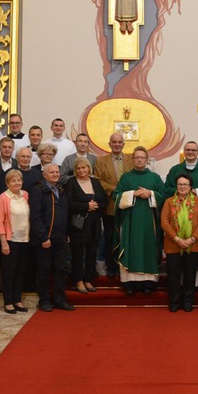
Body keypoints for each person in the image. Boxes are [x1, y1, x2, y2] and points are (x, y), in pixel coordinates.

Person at [113, 146, 171, 295]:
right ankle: (130, 283)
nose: (139, 160)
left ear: (147, 160)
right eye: (136, 157)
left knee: (148, 247)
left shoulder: (154, 178)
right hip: (130, 220)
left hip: (149, 221)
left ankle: (148, 282)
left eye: (142, 157)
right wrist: (134, 194)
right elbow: (116, 195)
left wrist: (150, 193)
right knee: (131, 247)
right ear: (133, 159)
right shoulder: (126, 177)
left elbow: (164, 195)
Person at [160, 174, 198, 312]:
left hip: (193, 245)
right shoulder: (169, 202)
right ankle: (174, 301)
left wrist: (192, 238)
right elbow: (164, 222)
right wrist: (177, 239)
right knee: (173, 274)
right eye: (180, 184)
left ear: (190, 187)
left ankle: (188, 301)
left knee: (189, 274)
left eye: (185, 184)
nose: (182, 187)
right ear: (176, 186)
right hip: (173, 244)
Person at [30, 164, 73, 311]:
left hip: (60, 238)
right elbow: (35, 216)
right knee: (44, 270)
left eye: (57, 172)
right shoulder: (38, 190)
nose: (55, 174)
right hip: (45, 239)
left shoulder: (61, 189)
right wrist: (43, 237)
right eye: (52, 172)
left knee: (62, 269)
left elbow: (65, 213)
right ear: (44, 174)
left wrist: (66, 233)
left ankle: (60, 299)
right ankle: (44, 300)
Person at [64, 157, 107, 294]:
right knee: (77, 254)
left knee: (92, 253)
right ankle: (78, 280)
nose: (82, 170)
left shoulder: (95, 182)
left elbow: (104, 201)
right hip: (78, 224)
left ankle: (88, 278)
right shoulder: (71, 182)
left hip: (94, 224)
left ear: (89, 168)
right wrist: (86, 206)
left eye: (84, 167)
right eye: (78, 168)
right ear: (75, 170)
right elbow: (68, 203)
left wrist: (96, 206)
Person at [94, 133, 133, 278]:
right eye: (114, 142)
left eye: (119, 142)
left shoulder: (131, 159)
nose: (117, 144)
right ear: (109, 144)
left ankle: (126, 265)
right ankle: (112, 266)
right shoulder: (101, 161)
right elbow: (98, 180)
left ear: (123, 144)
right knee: (110, 237)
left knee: (127, 236)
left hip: (129, 205)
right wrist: (115, 190)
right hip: (110, 204)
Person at [0, 169, 31, 314]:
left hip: (25, 239)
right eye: (13, 180)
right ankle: (8, 301)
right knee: (9, 272)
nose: (17, 183)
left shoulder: (25, 195)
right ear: (7, 183)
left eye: (19, 180)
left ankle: (18, 299)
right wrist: (4, 242)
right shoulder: (4, 197)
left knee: (21, 271)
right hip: (10, 240)